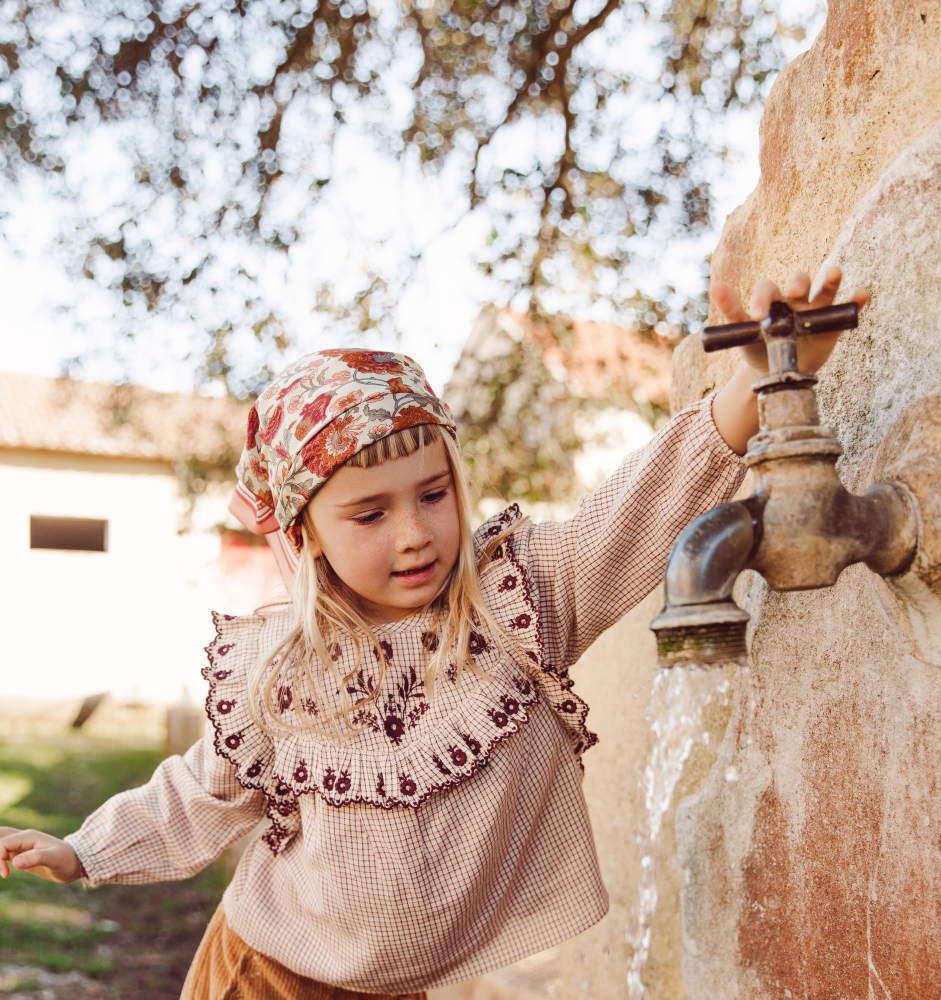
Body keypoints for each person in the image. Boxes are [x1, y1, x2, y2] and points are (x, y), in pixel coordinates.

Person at [0, 271, 865, 998]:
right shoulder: (280, 673)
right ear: (305, 537)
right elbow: (198, 791)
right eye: (369, 513)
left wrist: (763, 381)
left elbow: (635, 506)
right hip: (263, 979)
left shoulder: (518, 605)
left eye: (432, 494)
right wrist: (83, 851)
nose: (414, 533)